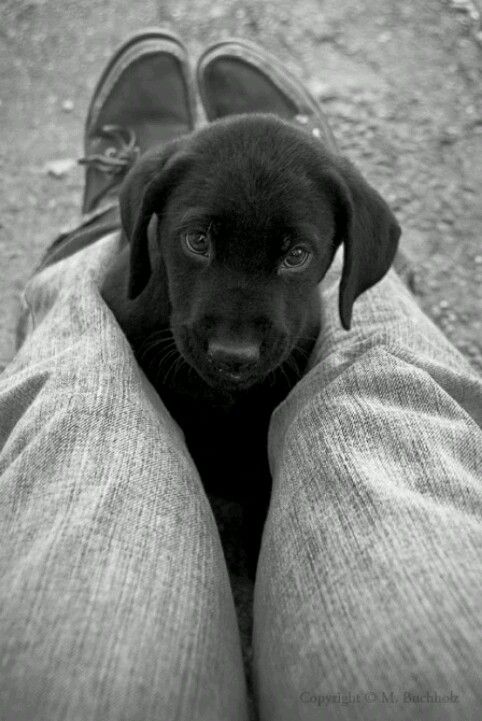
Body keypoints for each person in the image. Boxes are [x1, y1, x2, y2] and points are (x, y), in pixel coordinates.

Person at [0, 29, 480, 721]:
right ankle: (119, 224)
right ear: (161, 224)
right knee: (387, 390)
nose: (233, 337)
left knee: (76, 378)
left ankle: (94, 233)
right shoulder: (135, 301)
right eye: (200, 239)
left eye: (293, 253)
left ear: (343, 247)